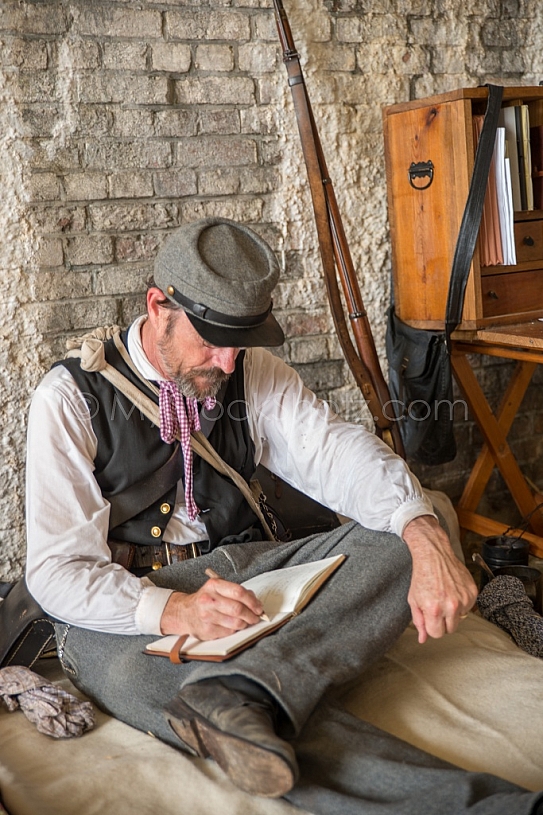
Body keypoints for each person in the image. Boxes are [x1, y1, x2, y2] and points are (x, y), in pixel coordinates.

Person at [25, 217, 543, 814]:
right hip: (128, 601)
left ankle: (241, 688)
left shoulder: (249, 372)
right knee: (191, 708)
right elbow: (59, 569)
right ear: (157, 305)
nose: (224, 361)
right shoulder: (69, 398)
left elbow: (336, 454)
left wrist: (422, 535)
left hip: (247, 573)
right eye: (210, 339)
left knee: (410, 533)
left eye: (237, 342)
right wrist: (173, 610)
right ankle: (484, 807)